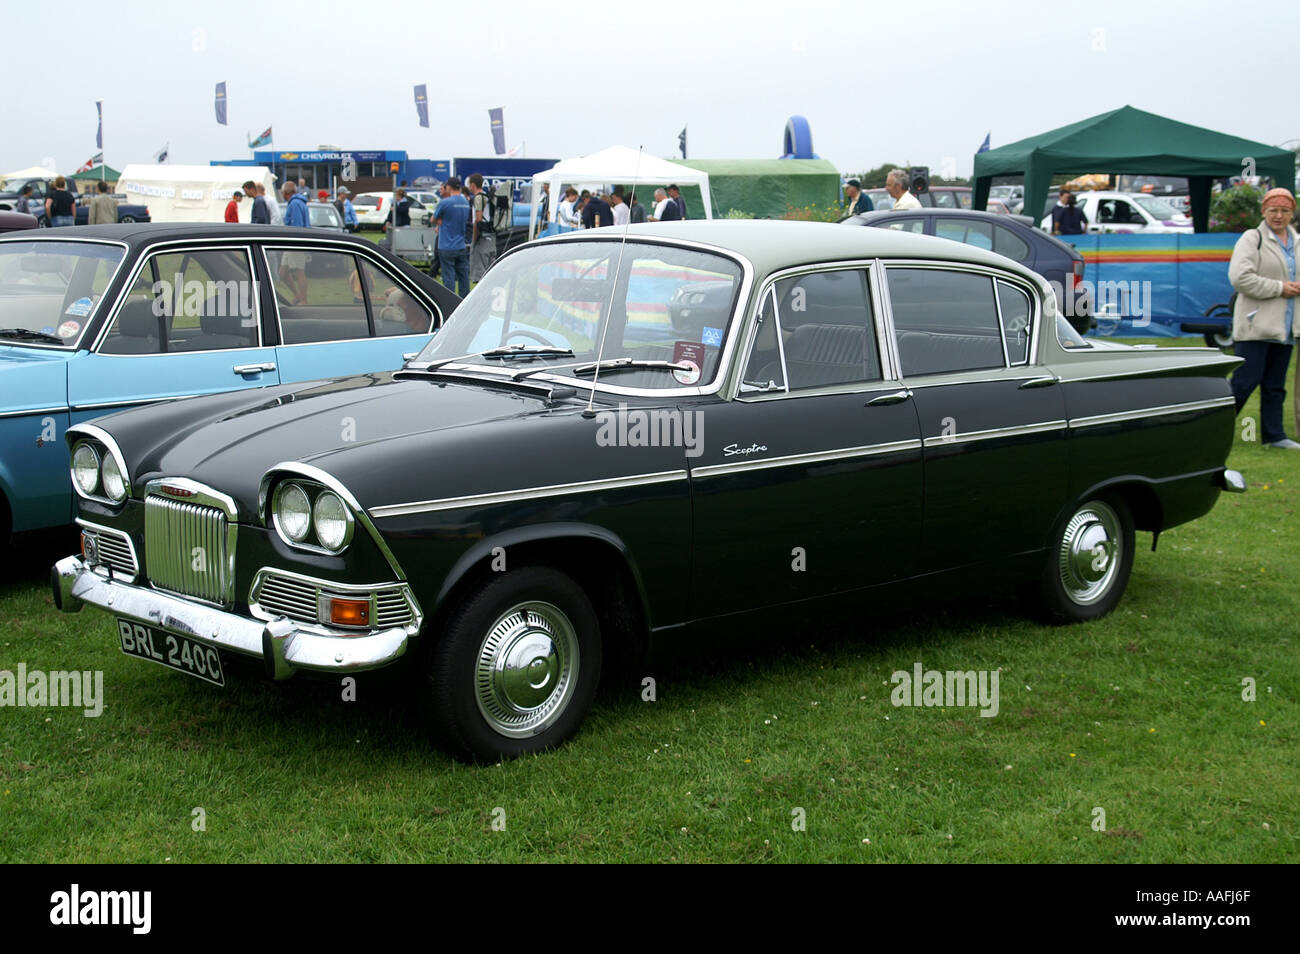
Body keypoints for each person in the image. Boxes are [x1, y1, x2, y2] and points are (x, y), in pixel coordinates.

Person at [1228, 188, 1300, 450]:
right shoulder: (1252, 238)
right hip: (1255, 325)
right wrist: (1279, 288)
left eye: (1285, 211)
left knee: (1275, 386)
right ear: (1264, 212)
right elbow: (1239, 277)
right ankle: (1212, 428)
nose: (1279, 215)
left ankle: (1275, 435)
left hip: (1286, 327)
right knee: (1244, 383)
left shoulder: (1297, 240)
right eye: (1274, 210)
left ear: (1292, 213)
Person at [432, 176, 470, 297]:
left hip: (446, 245)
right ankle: (464, 300)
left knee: (449, 278)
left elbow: (433, 219)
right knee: (463, 277)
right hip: (461, 244)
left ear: (448, 187)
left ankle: (450, 301)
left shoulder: (445, 203)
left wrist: (439, 220)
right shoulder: (465, 202)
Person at [279, 181, 310, 300]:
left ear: (286, 192)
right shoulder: (296, 202)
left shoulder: (295, 204)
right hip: (290, 243)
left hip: (295, 242)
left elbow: (296, 226)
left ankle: (303, 300)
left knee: (299, 272)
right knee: (283, 272)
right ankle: (297, 295)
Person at [467, 174, 497, 283]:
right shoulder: (487, 196)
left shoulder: (478, 198)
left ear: (473, 185)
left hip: (482, 239)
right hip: (491, 237)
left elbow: (478, 219)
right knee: (490, 273)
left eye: (469, 184)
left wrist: (474, 238)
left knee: (480, 275)